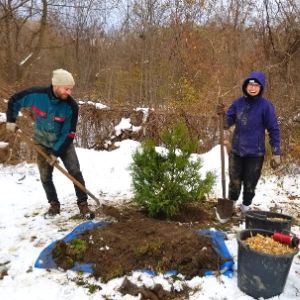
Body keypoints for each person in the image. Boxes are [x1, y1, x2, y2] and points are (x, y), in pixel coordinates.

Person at [6, 68, 95, 219]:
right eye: (67, 88)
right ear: (56, 85)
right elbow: (15, 100)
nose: (69, 92)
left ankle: (83, 204)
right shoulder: (37, 96)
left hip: (64, 143)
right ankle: (54, 205)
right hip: (41, 142)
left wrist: (55, 152)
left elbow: (69, 133)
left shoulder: (71, 106)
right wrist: (11, 120)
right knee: (45, 176)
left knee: (75, 171)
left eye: (71, 89)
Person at [217, 71, 281, 214]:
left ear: (261, 87)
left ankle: (245, 208)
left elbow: (274, 129)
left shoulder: (266, 106)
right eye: (250, 84)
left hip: (255, 153)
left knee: (250, 184)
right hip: (237, 151)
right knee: (234, 182)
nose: (253, 88)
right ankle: (230, 206)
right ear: (246, 85)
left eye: (256, 85)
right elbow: (227, 124)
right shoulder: (238, 103)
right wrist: (222, 116)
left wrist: (276, 152)